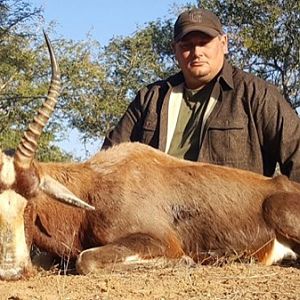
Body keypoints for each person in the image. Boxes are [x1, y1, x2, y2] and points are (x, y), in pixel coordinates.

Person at [102, 8, 300, 182]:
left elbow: (296, 155)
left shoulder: (256, 94)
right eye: (186, 45)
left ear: (224, 43)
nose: (196, 52)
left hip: (230, 220)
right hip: (155, 218)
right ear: (175, 50)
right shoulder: (150, 98)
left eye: (204, 42)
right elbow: (108, 161)